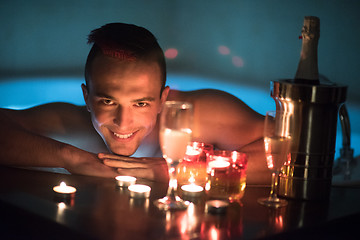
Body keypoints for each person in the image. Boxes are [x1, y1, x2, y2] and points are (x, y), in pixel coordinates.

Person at [0, 23, 269, 184]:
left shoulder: (198, 115)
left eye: (140, 103)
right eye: (108, 100)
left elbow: (290, 148)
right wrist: (72, 158)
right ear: (87, 98)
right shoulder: (70, 122)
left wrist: (186, 171)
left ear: (163, 99)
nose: (123, 122)